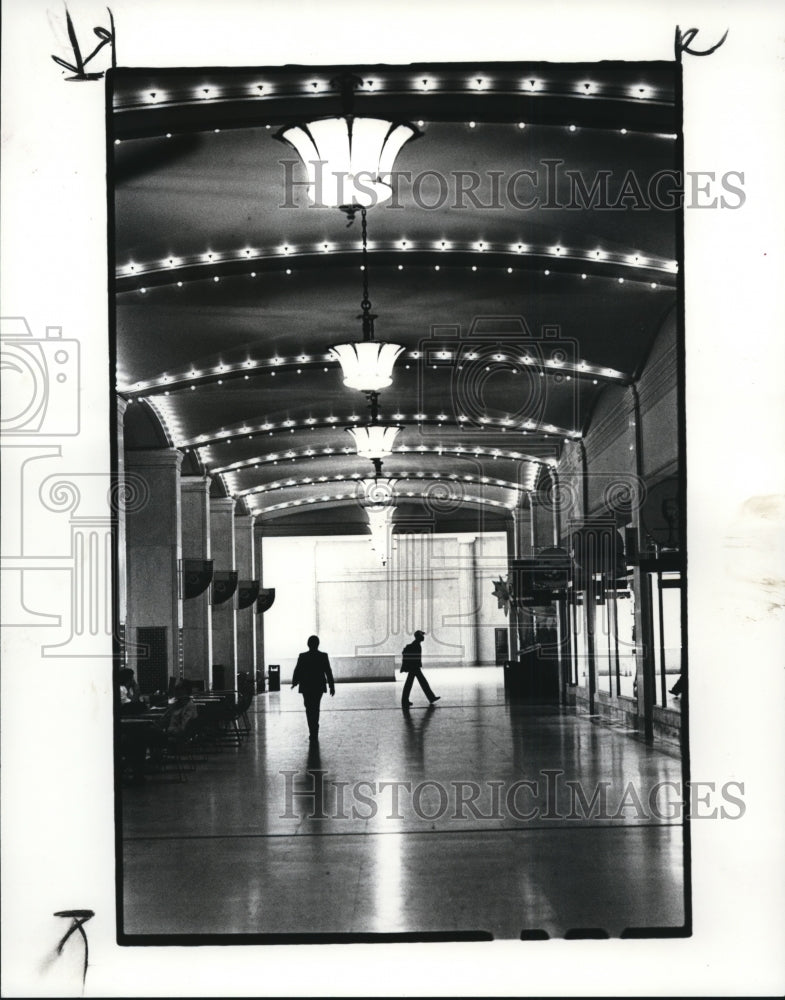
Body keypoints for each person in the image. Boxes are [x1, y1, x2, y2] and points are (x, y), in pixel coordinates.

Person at [291, 635, 335, 742]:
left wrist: (295, 682)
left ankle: (312, 729)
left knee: (308, 707)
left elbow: (297, 670)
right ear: (318, 644)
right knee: (316, 707)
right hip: (318, 686)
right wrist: (331, 686)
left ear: (308, 644)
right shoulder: (323, 656)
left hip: (306, 686)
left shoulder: (303, 656)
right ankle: (315, 729)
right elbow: (328, 671)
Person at [400, 630, 440, 708]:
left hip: (414, 667)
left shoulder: (416, 644)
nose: (423, 637)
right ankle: (431, 697)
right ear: (418, 637)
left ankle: (405, 700)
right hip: (414, 668)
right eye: (422, 635)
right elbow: (415, 658)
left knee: (413, 683)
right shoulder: (416, 645)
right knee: (420, 683)